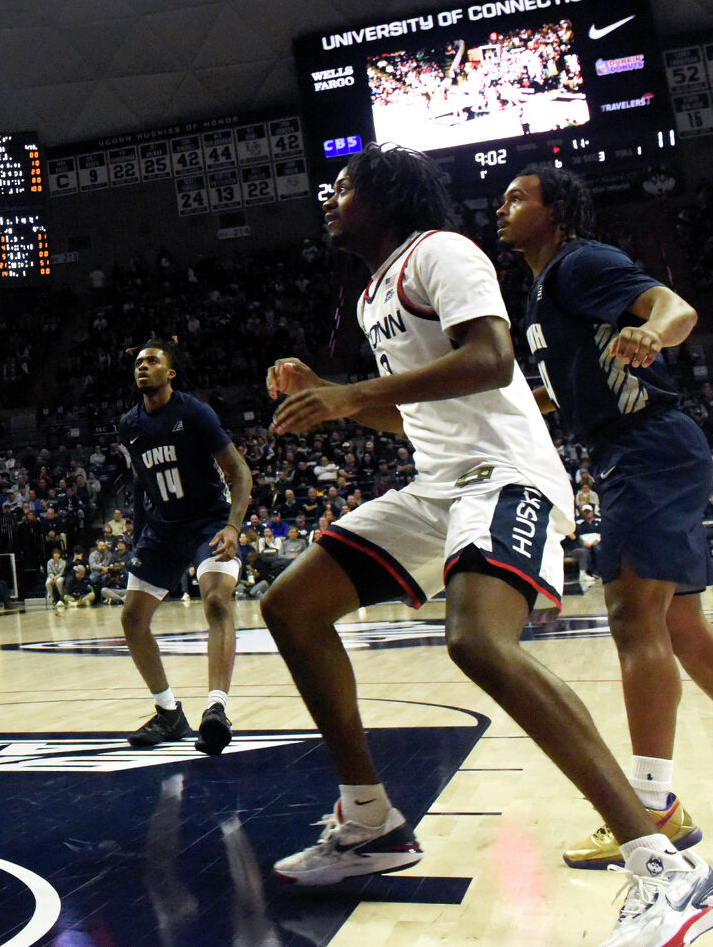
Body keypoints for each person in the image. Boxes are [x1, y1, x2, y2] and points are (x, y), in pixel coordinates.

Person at [261, 145, 708, 947]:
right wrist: (329, 399)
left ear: (386, 196)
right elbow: (413, 416)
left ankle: (662, 867)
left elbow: (490, 359)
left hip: (507, 477)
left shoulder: (442, 251)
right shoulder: (371, 295)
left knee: (477, 641)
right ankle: (372, 823)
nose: (327, 197)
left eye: (344, 186)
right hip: (441, 484)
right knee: (290, 605)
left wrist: (351, 391)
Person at [499, 166, 713, 867]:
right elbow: (574, 388)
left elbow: (676, 309)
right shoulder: (538, 292)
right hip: (644, 450)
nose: (501, 209)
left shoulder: (581, 261)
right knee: (682, 628)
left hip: (645, 447)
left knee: (633, 618)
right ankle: (659, 804)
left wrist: (652, 333)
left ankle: (654, 808)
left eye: (517, 198)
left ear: (555, 210)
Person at [114, 339, 253, 755]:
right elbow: (142, 482)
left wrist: (232, 526)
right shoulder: (128, 424)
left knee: (216, 600)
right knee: (132, 619)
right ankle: (169, 713)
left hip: (209, 521)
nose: (143, 366)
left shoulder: (194, 413)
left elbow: (240, 473)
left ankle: (216, 709)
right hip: (163, 526)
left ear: (169, 373)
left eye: (152, 361)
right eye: (138, 362)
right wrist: (141, 534)